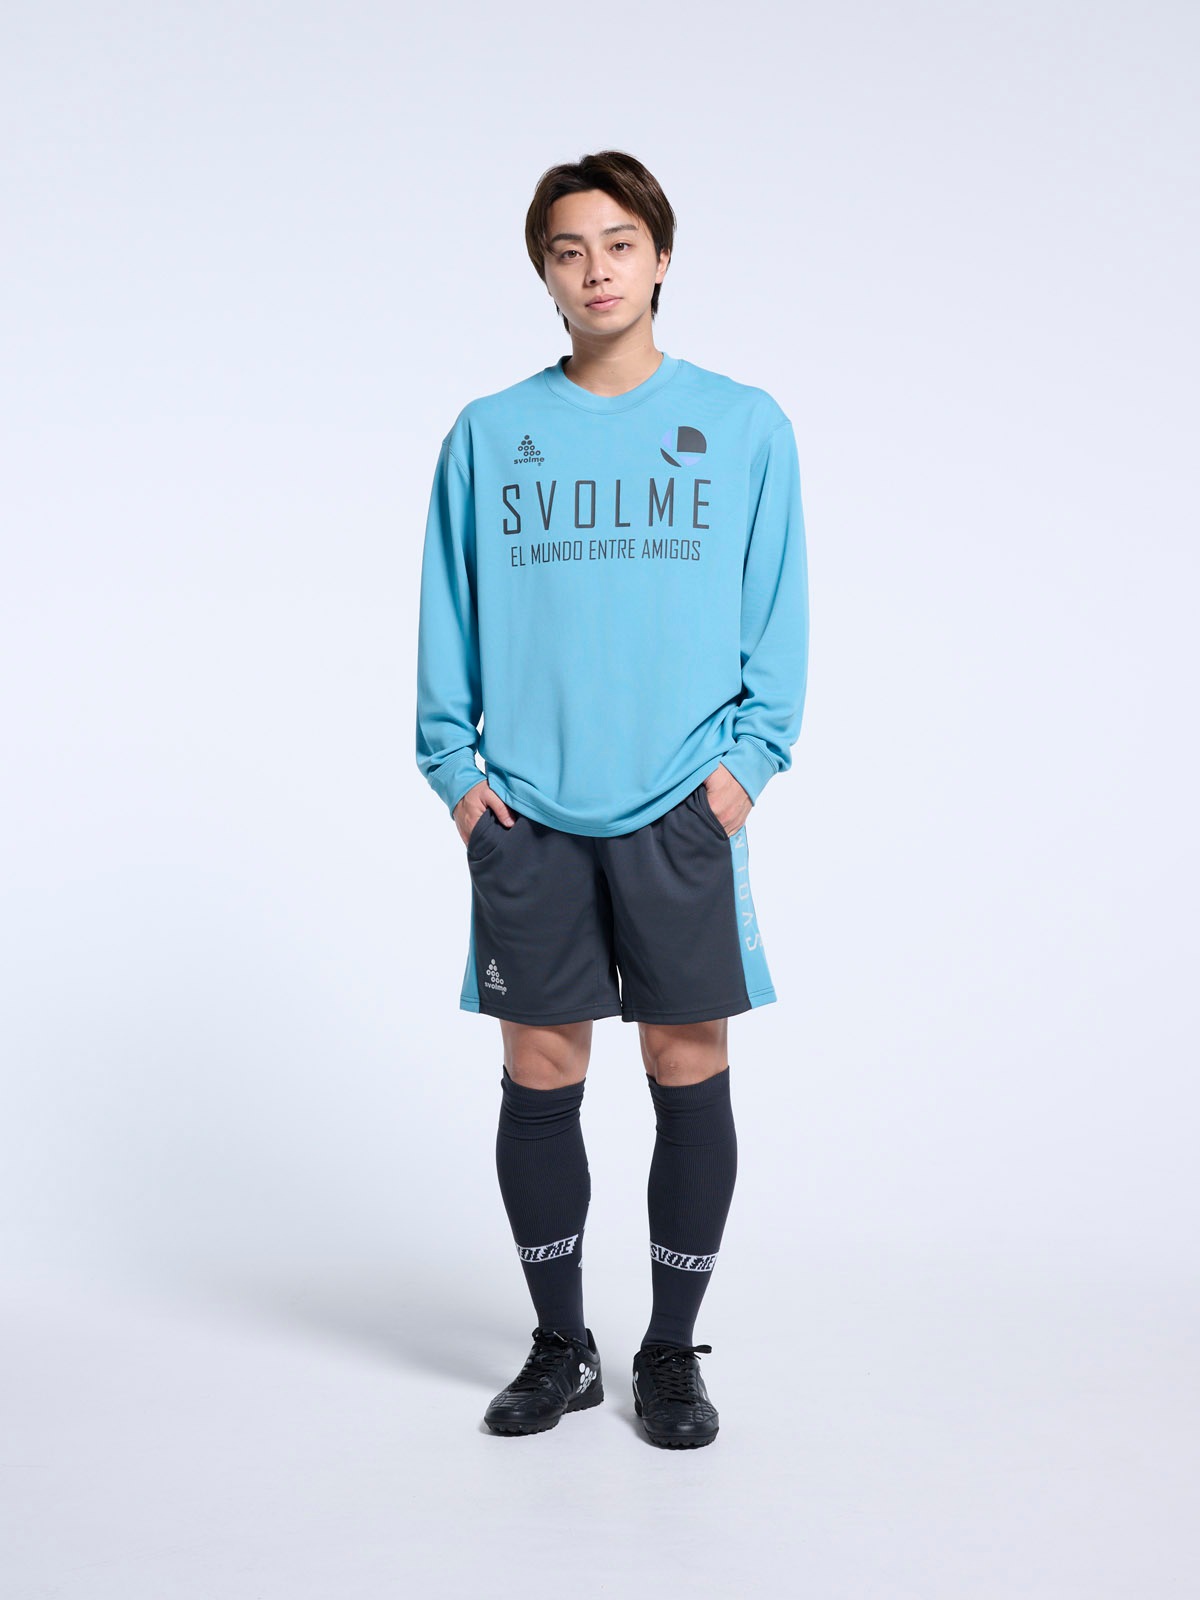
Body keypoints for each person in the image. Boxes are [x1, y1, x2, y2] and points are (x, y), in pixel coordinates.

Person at [414, 150, 809, 1449]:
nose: (597, 270)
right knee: (540, 1069)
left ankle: (668, 1351)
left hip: (682, 807)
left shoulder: (742, 426)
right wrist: (459, 779)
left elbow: (777, 613)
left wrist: (745, 773)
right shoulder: (489, 434)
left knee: (686, 1063)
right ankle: (561, 1346)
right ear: (544, 271)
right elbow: (448, 613)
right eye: (570, 249)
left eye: (620, 243)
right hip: (527, 812)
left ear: (662, 257)